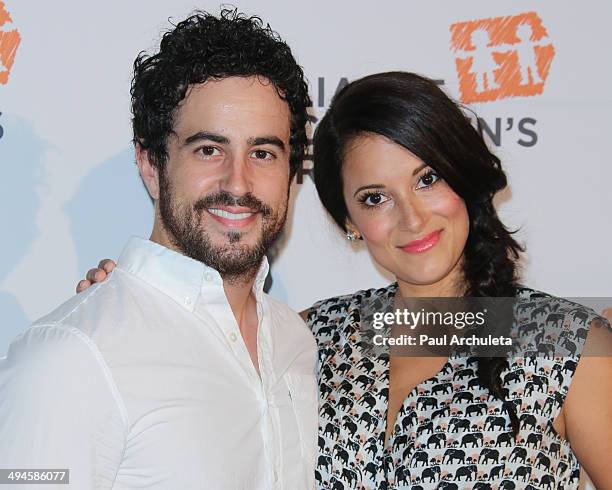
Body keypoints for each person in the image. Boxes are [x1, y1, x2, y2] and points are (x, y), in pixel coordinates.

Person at [79, 73, 612, 489]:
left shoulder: (564, 345)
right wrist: (132, 300)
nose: (412, 218)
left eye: (428, 179)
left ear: (463, 176)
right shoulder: (314, 336)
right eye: (375, 198)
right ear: (350, 222)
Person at [0, 10, 317, 490]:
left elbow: (464, 328)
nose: (239, 182)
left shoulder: (299, 340)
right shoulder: (72, 357)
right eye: (209, 150)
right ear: (150, 163)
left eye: (263, 153)